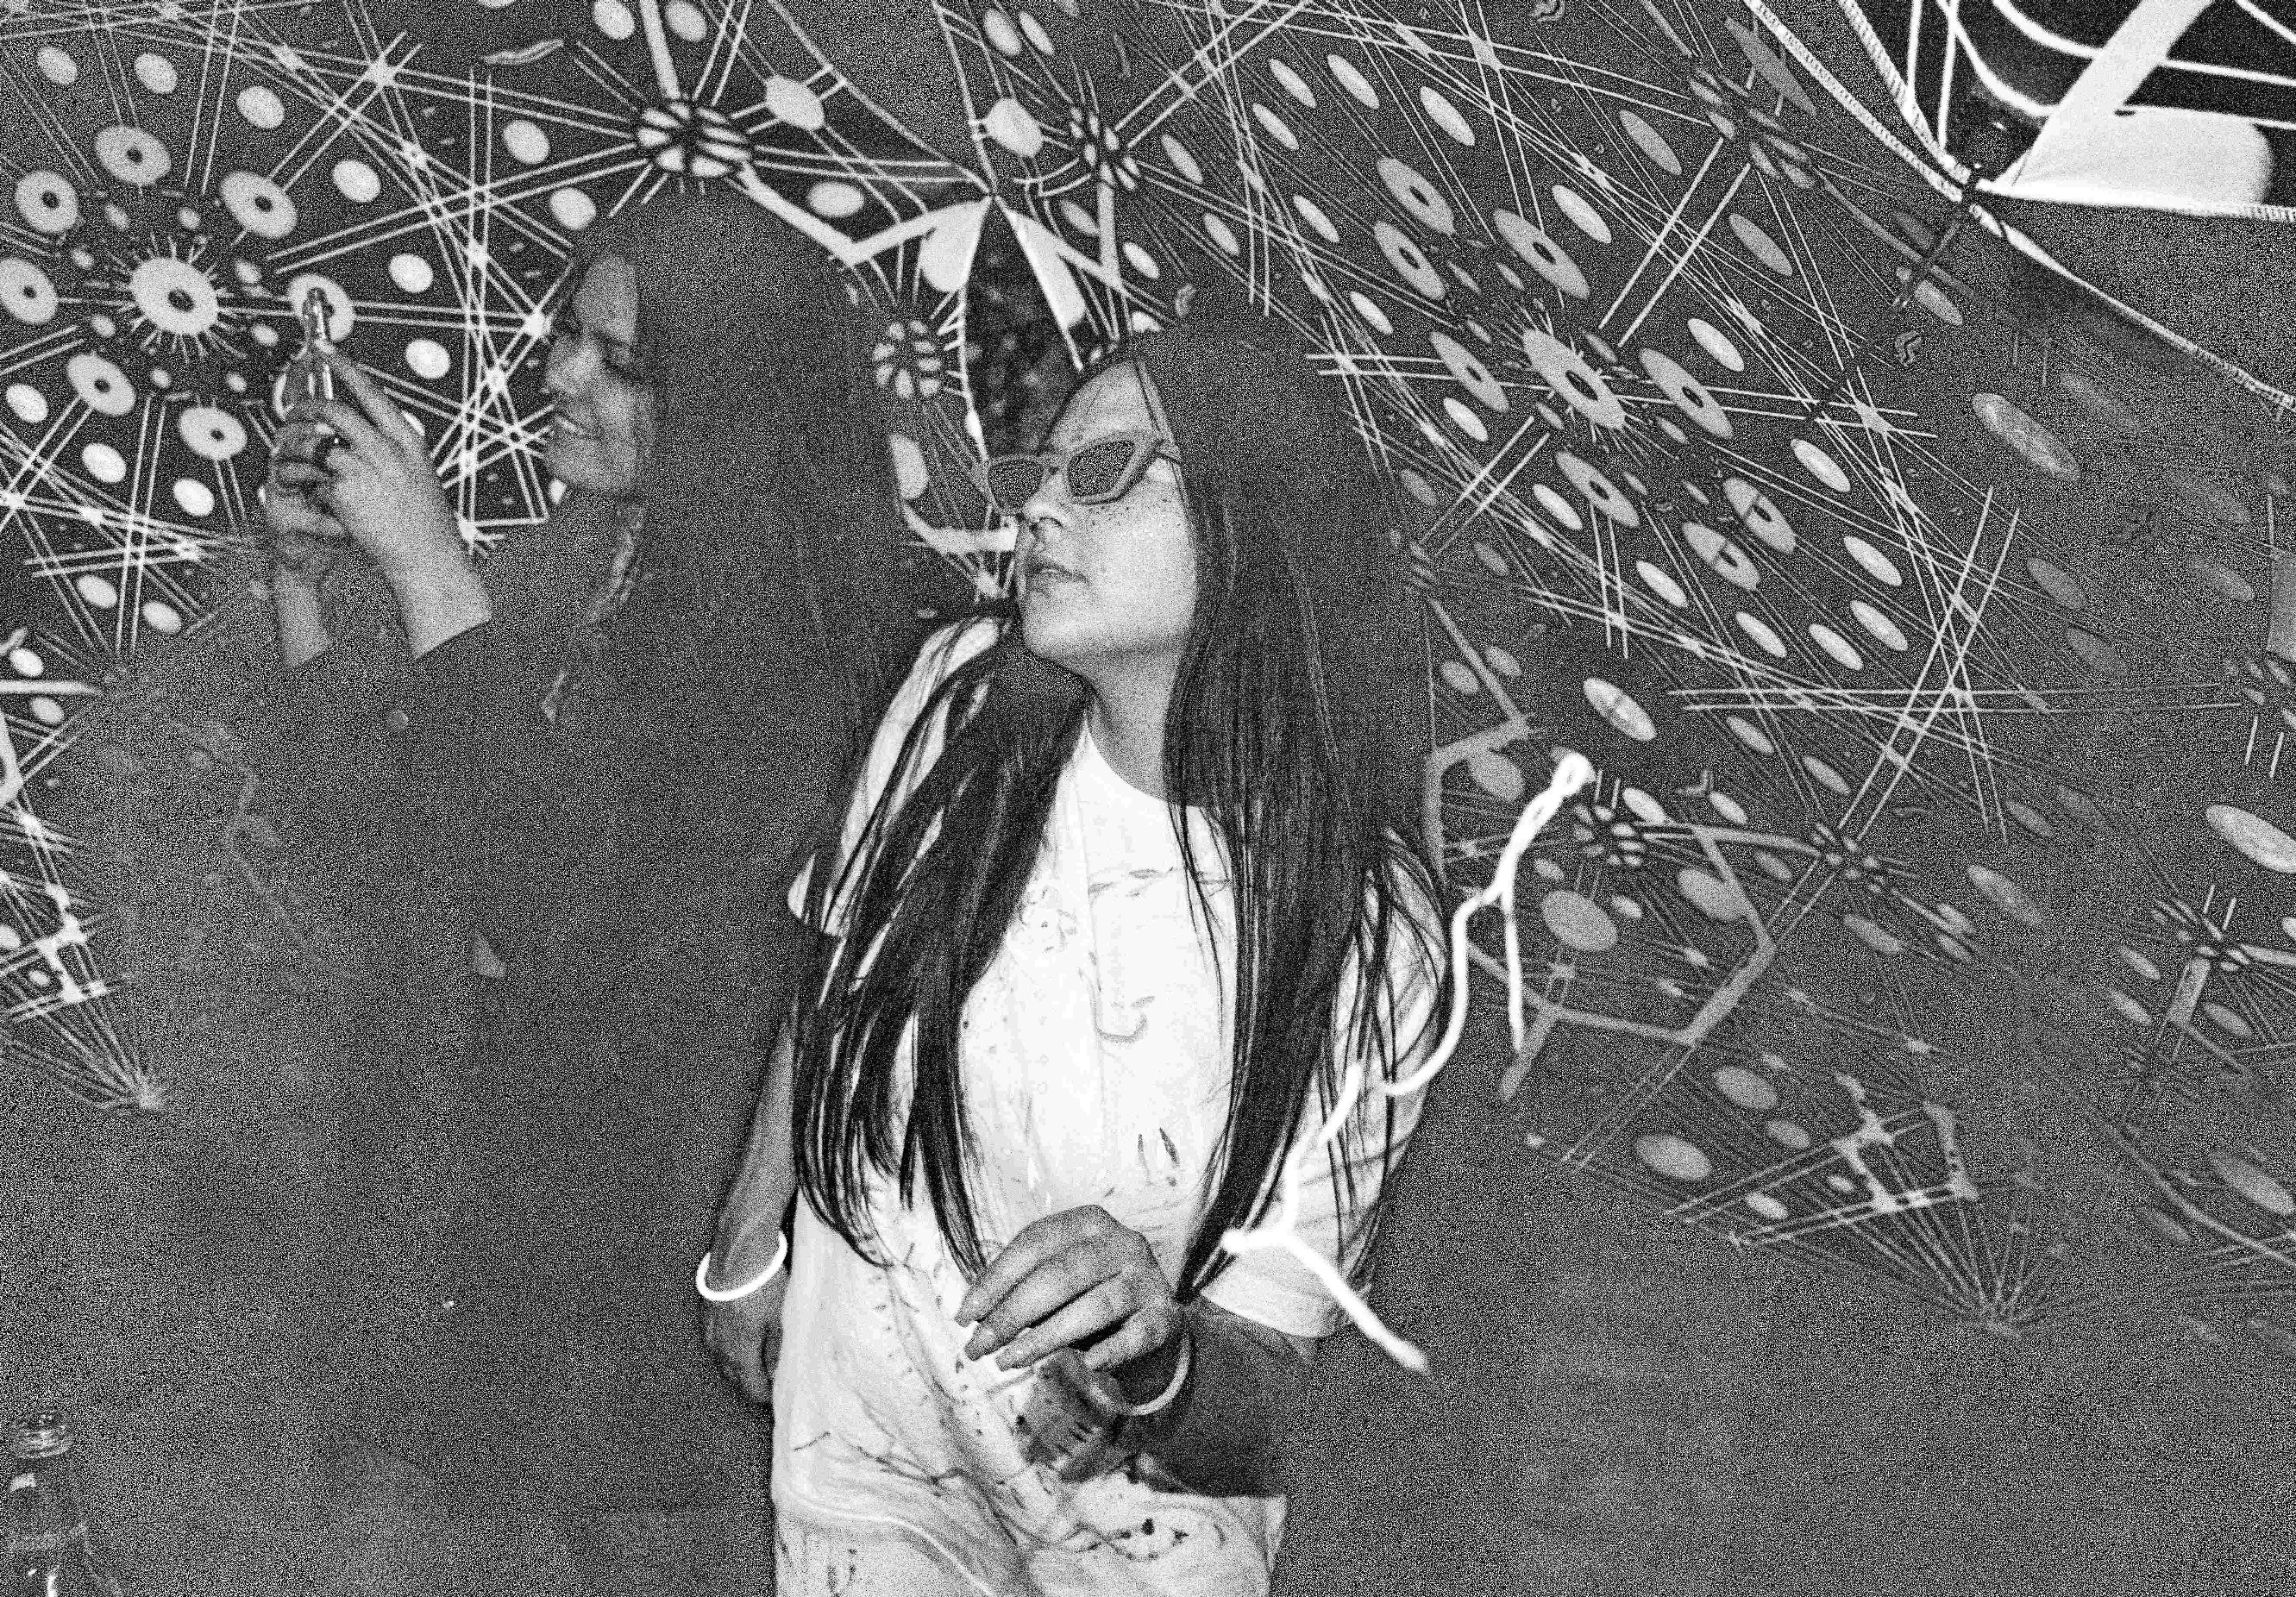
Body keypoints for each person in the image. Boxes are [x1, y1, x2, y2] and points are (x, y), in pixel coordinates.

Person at [702, 314, 1452, 1595]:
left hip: (1127, 1547)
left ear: (1255, 524)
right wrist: (747, 1242)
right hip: (864, 1459)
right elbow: (840, 971)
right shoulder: (959, 696)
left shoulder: (1367, 932)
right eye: (1037, 472)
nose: (1039, 510)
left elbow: (1268, 1380)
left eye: (1104, 471)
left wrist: (1154, 1341)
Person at [257, 191, 921, 1590]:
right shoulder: (587, 565)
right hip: (480, 1218)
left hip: (641, 1269)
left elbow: (561, 918)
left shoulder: (805, 648)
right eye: (567, 336)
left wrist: (430, 569)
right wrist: (305, 588)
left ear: (729, 405)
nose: (556, 374)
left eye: (621, 363)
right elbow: (384, 859)